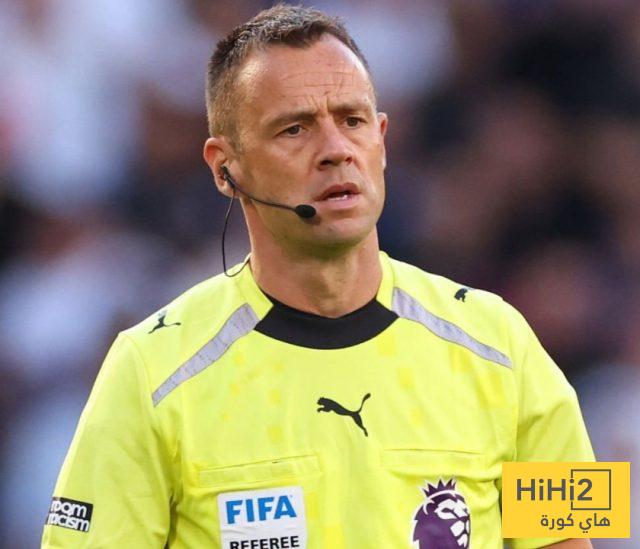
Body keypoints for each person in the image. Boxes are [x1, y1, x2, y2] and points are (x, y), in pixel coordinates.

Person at [42, 5, 594, 548]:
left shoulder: (504, 343)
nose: (336, 150)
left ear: (382, 139)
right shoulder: (150, 370)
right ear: (224, 168)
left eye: (353, 121)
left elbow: (576, 539)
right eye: (294, 129)